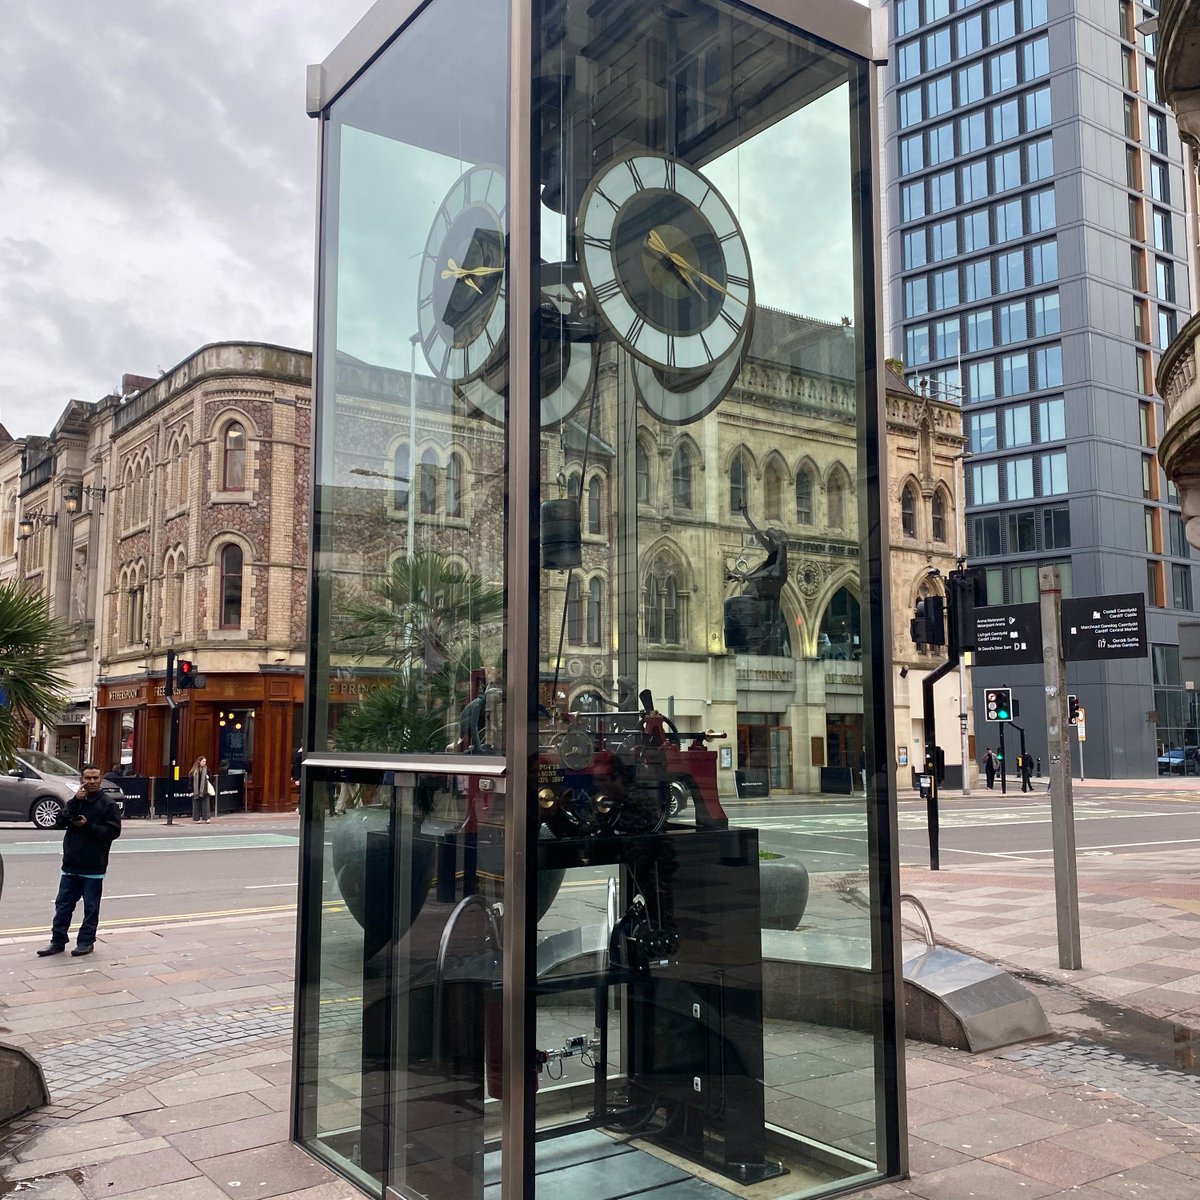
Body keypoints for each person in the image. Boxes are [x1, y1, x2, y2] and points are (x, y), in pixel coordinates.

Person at [36, 763, 123, 958]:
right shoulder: (75, 800)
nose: (91, 782)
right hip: (71, 864)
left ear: (100, 780)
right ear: (81, 780)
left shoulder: (108, 804)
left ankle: (86, 942)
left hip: (94, 865)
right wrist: (75, 801)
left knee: (91, 908)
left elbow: (112, 832)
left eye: (95, 778)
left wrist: (87, 826)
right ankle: (57, 941)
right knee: (63, 906)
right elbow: (60, 821)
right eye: (88, 778)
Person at [190, 755, 212, 823]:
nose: (204, 763)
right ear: (199, 762)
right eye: (203, 761)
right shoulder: (194, 771)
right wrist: (191, 790)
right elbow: (190, 781)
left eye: (205, 761)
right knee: (196, 804)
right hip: (196, 790)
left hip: (204, 790)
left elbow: (210, 779)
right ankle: (197, 818)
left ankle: (207, 818)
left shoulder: (207, 770)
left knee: (206, 805)